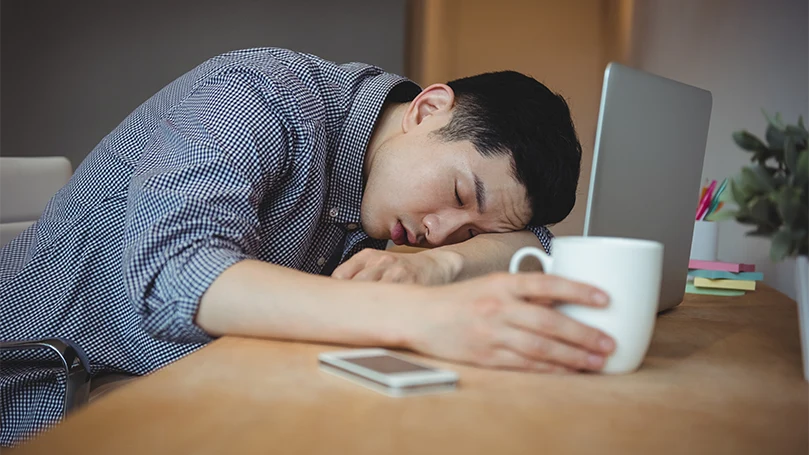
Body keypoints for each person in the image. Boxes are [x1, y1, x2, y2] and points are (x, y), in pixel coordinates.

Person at [0, 47, 614, 445]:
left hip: (186, 387)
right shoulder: (257, 95)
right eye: (459, 192)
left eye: (473, 228)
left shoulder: (379, 183)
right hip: (50, 395)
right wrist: (423, 315)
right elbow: (175, 274)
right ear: (428, 108)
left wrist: (441, 267)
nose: (443, 227)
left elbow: (535, 243)